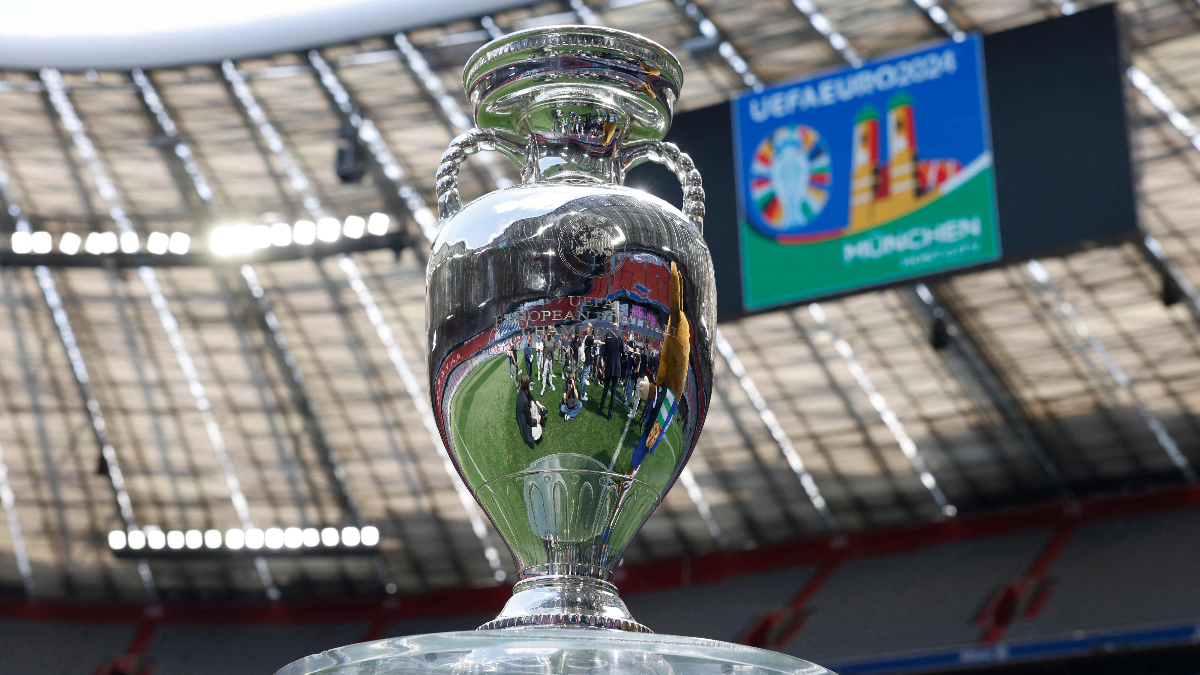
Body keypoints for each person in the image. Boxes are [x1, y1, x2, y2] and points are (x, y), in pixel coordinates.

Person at [597, 328, 624, 419]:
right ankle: (610, 414)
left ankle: (600, 410)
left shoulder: (608, 333)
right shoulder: (620, 334)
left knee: (605, 390)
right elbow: (622, 351)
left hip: (609, 365)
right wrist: (624, 357)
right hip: (616, 366)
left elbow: (606, 349)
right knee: (613, 392)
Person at [516, 375, 546, 448]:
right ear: (527, 384)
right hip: (525, 425)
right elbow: (529, 421)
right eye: (530, 382)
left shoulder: (523, 390)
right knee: (538, 430)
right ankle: (533, 437)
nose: (531, 383)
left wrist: (540, 405)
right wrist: (540, 416)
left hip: (524, 416)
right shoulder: (524, 401)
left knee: (533, 403)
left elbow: (531, 396)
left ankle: (537, 418)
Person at [581, 327, 594, 400]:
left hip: (587, 359)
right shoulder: (589, 338)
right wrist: (604, 342)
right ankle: (582, 395)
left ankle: (583, 392)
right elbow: (595, 341)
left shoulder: (586, 337)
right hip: (587, 360)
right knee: (584, 377)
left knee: (584, 376)